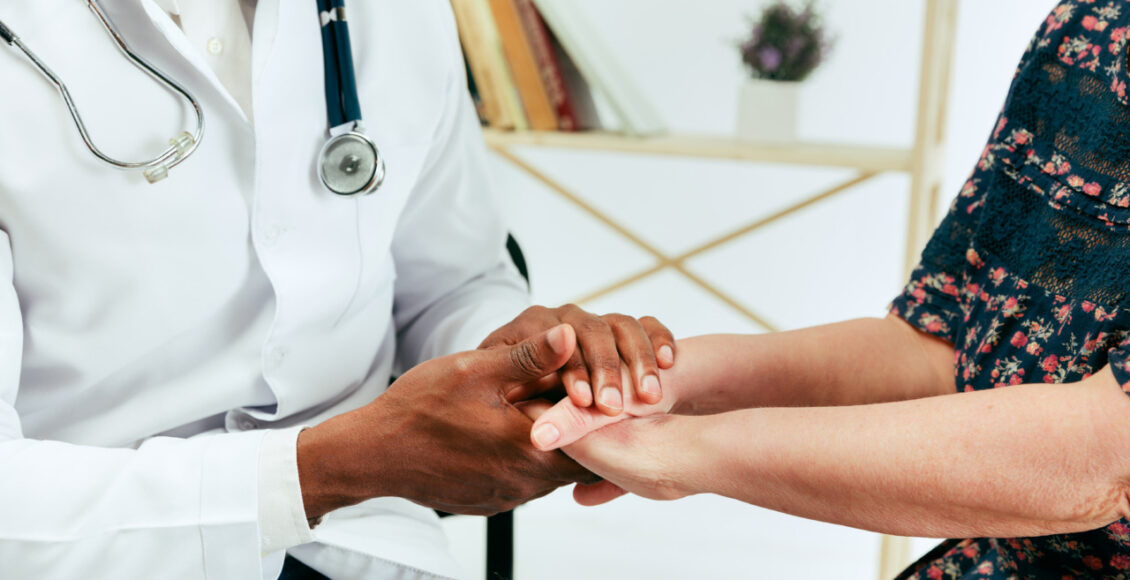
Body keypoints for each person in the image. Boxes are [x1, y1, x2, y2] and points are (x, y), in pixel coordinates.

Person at [0, 1, 674, 578]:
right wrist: (335, 465)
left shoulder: (395, 15)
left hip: (364, 541)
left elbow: (453, 282)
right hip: (98, 552)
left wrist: (512, 356)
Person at [526, 2, 1130, 578]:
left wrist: (684, 455)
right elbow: (935, 344)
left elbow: (1102, 458)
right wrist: (667, 383)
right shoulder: (1089, 24)